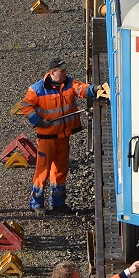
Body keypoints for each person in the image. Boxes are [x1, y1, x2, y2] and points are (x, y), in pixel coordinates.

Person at [20, 57, 108, 215]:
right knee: (43, 171)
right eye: (62, 70)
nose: (65, 72)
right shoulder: (37, 89)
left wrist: (95, 89)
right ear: (52, 72)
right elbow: (26, 106)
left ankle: (57, 203)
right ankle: (36, 203)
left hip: (63, 136)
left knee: (60, 170)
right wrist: (38, 121)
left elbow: (81, 89)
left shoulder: (68, 82)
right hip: (47, 138)